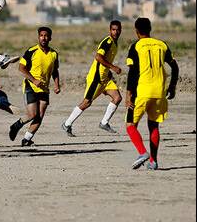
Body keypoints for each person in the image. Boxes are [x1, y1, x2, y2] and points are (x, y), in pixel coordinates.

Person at [124, 18, 178, 170]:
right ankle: (153, 162)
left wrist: (129, 95)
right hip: (159, 92)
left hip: (142, 91)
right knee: (154, 126)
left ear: (136, 30)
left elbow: (133, 72)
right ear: (150, 29)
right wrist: (172, 87)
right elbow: (175, 67)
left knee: (130, 125)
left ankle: (142, 153)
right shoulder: (162, 44)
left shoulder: (136, 46)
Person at [62, 21, 123, 136]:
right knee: (86, 102)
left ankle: (104, 123)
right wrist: (113, 67)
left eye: (118, 29)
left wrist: (108, 71)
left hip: (105, 79)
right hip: (96, 78)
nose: (116, 32)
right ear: (110, 30)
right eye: (113, 30)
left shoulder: (115, 43)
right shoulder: (108, 42)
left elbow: (105, 59)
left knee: (117, 98)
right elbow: (98, 57)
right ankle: (67, 124)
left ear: (121, 30)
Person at [9, 26, 61, 146]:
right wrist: (33, 80)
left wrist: (57, 85)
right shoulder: (31, 51)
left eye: (46, 36)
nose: (44, 38)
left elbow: (55, 71)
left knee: (40, 116)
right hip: (30, 86)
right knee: (32, 114)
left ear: (50, 38)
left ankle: (26, 140)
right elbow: (21, 68)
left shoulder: (54, 54)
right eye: (41, 35)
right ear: (38, 37)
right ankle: (15, 126)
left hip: (44, 88)